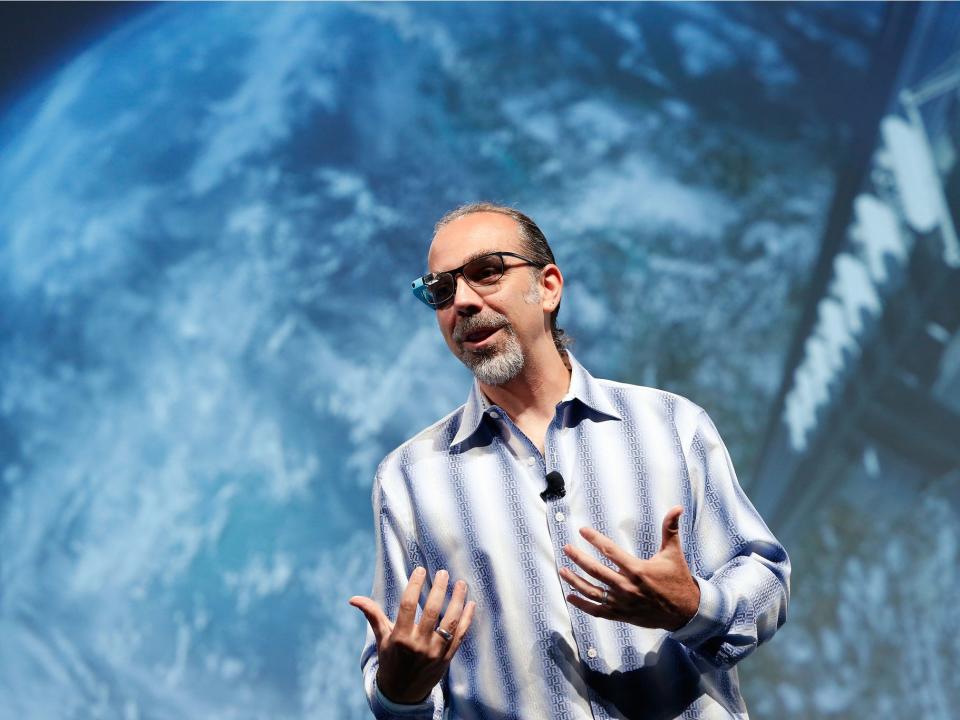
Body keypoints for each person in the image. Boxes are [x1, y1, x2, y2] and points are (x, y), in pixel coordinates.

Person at [348, 202, 790, 720]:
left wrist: (694, 607)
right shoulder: (409, 479)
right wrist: (401, 693)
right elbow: (398, 682)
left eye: (486, 273)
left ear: (549, 287)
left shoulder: (670, 425)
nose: (462, 302)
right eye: (441, 291)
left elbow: (768, 582)